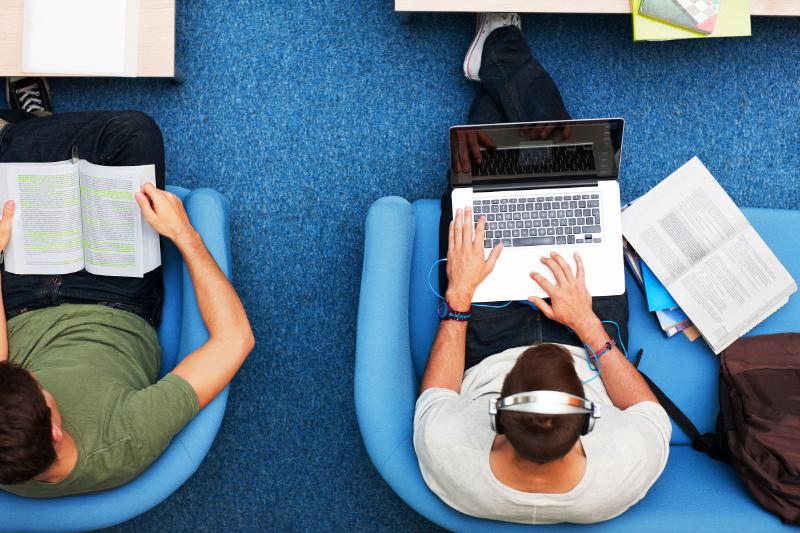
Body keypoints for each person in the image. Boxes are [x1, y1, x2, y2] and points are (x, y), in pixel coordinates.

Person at [413, 14, 671, 524]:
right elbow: (648, 413)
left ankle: (499, 50)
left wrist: (459, 298)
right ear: (588, 418)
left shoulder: (446, 449)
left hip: (484, 336)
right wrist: (586, 325)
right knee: (568, 167)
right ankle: (499, 51)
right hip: (585, 334)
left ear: (497, 416)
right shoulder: (626, 466)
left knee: (481, 182)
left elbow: (440, 394)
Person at [0, 108, 254, 497]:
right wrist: (185, 235)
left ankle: (25, 132)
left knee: (27, 171)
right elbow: (235, 340)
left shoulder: (7, 450)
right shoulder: (127, 437)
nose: (31, 374)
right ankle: (23, 131)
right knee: (131, 135)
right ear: (55, 427)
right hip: (115, 298)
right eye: (35, 385)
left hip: (22, 295)